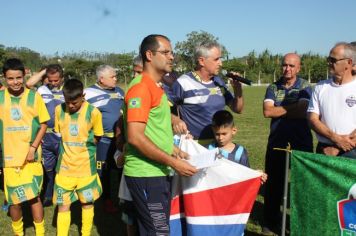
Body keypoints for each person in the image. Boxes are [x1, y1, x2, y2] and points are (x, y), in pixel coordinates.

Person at [123, 34, 197, 235]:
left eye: (171, 52)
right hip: (146, 173)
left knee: (156, 229)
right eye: (165, 52)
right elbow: (135, 137)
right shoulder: (140, 89)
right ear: (149, 55)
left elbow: (153, 130)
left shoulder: (157, 88)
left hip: (157, 171)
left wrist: (174, 150)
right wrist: (174, 162)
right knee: (158, 231)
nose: (171, 57)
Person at [262, 53, 313, 234]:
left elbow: (302, 111)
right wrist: (292, 109)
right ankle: (270, 221)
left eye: (292, 66)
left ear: (299, 68)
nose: (287, 69)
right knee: (274, 183)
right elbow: (267, 112)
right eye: (285, 65)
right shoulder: (272, 87)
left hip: (301, 142)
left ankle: (300, 223)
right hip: (277, 141)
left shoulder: (305, 87)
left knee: (302, 185)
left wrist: (280, 109)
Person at [0, 58, 50, 236]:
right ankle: (18, 233)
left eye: (19, 78)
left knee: (33, 197)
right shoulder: (0, 98)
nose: (15, 82)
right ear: (4, 78)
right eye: (11, 78)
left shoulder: (33, 96)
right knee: (14, 201)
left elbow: (44, 124)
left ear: (24, 76)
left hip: (31, 158)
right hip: (9, 160)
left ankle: (40, 232)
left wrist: (33, 147)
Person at [53, 79, 104, 236]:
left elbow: (97, 136)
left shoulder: (93, 112)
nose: (71, 106)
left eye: (74, 102)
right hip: (64, 169)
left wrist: (84, 149)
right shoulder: (58, 110)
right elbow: (59, 133)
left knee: (87, 204)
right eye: (67, 102)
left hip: (85, 169)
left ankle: (85, 233)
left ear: (83, 96)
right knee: (63, 205)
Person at [169, 40, 244, 144]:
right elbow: (165, 108)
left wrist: (238, 91)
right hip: (194, 146)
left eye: (220, 59)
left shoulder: (219, 82)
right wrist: (175, 120)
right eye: (216, 59)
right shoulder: (183, 82)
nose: (220, 63)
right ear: (201, 61)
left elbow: (237, 109)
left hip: (219, 145)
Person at [84, 65, 125, 213]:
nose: (116, 79)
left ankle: (122, 199)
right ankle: (106, 199)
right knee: (104, 172)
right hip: (103, 141)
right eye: (113, 77)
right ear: (101, 79)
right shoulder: (88, 93)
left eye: (115, 76)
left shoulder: (120, 91)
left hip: (121, 139)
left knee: (122, 169)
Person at [308, 42, 356, 158]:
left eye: (333, 60)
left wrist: (339, 146)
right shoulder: (320, 87)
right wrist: (335, 139)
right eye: (328, 59)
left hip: (352, 151)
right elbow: (312, 119)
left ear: (348, 63)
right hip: (325, 150)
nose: (329, 63)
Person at [26, 64, 65, 207]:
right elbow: (29, 84)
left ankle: (60, 194)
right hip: (45, 136)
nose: (53, 83)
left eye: (56, 80)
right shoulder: (41, 90)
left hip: (62, 136)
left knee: (61, 167)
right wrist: (45, 71)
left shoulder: (67, 90)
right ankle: (48, 193)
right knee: (48, 168)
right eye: (50, 80)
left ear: (62, 78)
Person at [207, 110, 267, 183]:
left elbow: (246, 173)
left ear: (234, 131)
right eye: (217, 134)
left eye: (224, 134)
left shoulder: (240, 152)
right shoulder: (208, 149)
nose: (220, 138)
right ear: (213, 130)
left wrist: (256, 175)